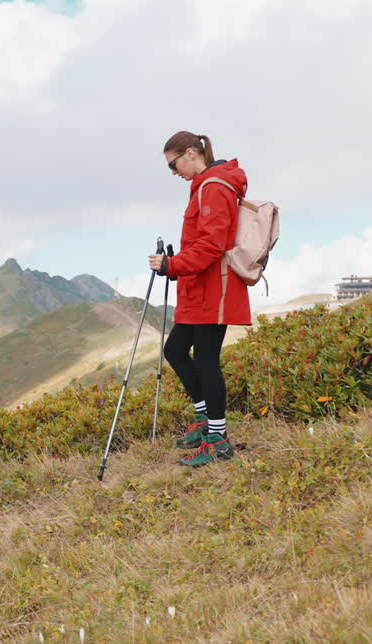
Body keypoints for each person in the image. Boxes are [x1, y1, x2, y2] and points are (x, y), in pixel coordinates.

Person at [149, 132, 250, 467]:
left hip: (213, 289)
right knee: (175, 350)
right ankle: (207, 423)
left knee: (206, 359)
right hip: (198, 288)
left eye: (173, 164)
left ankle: (218, 441)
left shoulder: (215, 187)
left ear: (190, 153)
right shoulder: (206, 186)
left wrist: (172, 265)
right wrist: (176, 266)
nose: (174, 172)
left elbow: (211, 246)